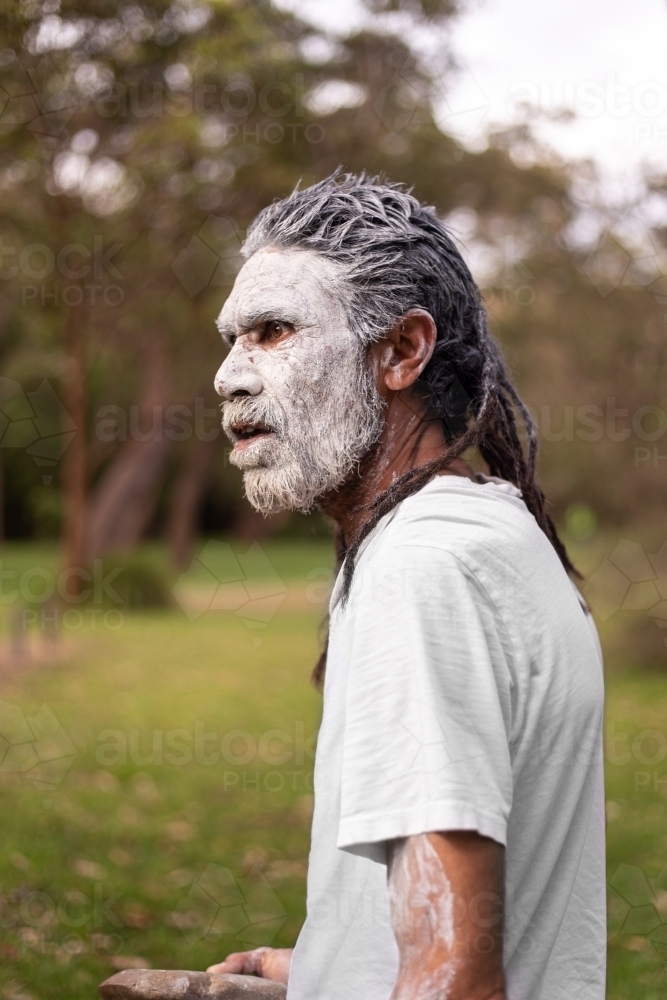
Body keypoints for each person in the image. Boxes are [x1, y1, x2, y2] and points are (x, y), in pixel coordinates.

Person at [208, 172, 606, 1000]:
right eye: (230, 339)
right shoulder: (483, 530)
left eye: (272, 332)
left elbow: (454, 979)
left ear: (400, 352)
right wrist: (320, 971)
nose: (229, 376)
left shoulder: (423, 571)